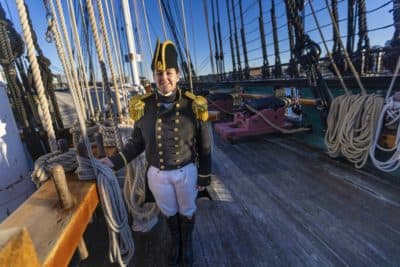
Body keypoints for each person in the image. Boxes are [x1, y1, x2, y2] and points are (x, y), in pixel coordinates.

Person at [100, 39, 212, 267]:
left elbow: (205, 144)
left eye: (169, 72)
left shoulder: (193, 105)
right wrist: (113, 162)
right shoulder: (143, 106)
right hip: (158, 176)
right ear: (153, 76)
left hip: (186, 172)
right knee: (169, 213)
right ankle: (175, 242)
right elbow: (136, 143)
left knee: (187, 210)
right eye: (159, 73)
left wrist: (204, 175)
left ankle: (187, 245)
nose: (164, 78)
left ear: (178, 75)